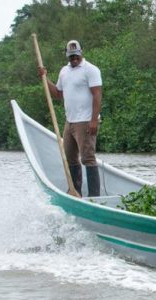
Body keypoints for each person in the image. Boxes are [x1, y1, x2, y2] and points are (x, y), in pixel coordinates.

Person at [37, 40, 103, 197]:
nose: (74, 59)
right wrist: (44, 78)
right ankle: (76, 192)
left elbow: (97, 95)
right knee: (70, 158)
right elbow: (59, 94)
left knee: (88, 158)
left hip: (86, 121)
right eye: (71, 57)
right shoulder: (64, 71)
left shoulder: (91, 70)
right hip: (70, 122)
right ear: (67, 56)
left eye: (76, 56)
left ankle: (94, 197)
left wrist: (93, 120)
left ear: (81, 53)